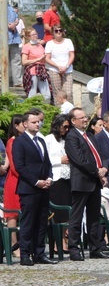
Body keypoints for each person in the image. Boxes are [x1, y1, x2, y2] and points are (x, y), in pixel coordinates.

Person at [64, 107, 109, 261]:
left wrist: (103, 168)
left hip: (94, 182)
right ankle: (74, 249)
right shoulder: (72, 137)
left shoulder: (89, 136)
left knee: (94, 217)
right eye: (81, 118)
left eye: (85, 117)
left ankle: (95, 248)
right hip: (82, 181)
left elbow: (98, 155)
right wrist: (96, 171)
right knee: (77, 216)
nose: (85, 120)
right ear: (73, 121)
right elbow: (80, 160)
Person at [12, 111, 56, 266]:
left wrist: (49, 178)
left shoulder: (41, 141)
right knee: (28, 222)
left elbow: (47, 163)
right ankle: (25, 254)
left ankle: (39, 253)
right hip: (29, 188)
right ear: (25, 124)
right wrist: (37, 181)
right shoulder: (20, 141)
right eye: (34, 122)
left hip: (44, 188)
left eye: (38, 122)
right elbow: (20, 166)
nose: (38, 124)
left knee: (42, 221)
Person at [45, 114, 72, 253]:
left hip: (68, 177)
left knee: (67, 211)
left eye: (68, 127)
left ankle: (64, 239)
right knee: (58, 212)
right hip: (56, 177)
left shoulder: (67, 139)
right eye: (64, 127)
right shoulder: (48, 139)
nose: (66, 130)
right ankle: (57, 242)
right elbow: (45, 158)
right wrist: (59, 160)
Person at [2, 115, 26, 257]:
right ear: (16, 126)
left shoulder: (22, 140)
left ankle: (21, 243)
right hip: (14, 181)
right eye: (23, 124)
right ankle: (13, 245)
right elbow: (15, 164)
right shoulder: (12, 142)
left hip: (22, 180)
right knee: (13, 214)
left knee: (22, 213)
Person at [44, 26, 74, 103]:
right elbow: (47, 58)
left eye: (60, 30)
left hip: (67, 69)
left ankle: (69, 112)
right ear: (53, 33)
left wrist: (66, 66)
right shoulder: (49, 43)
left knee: (68, 93)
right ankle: (59, 111)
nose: (58, 32)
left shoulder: (68, 41)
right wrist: (57, 66)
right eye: (56, 31)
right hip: (54, 69)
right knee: (57, 92)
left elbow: (72, 55)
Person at [20, 28, 51, 101]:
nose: (35, 36)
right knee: (32, 94)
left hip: (42, 70)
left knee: (47, 95)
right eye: (33, 35)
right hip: (32, 72)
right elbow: (24, 62)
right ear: (28, 36)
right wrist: (38, 59)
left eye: (36, 34)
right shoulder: (26, 47)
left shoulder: (40, 45)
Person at [7, 0, 23, 87]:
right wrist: (7, 25)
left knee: (16, 60)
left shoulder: (10, 6)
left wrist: (15, 23)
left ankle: (17, 82)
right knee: (4, 61)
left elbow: (17, 18)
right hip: (3, 38)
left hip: (14, 38)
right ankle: (5, 81)